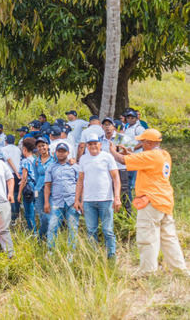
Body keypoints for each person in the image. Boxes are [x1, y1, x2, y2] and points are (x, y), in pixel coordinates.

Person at [109, 129, 187, 274]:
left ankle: (148, 272)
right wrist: (128, 154)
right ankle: (179, 269)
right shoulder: (163, 154)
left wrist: (112, 150)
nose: (141, 144)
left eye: (142, 141)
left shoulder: (150, 156)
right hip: (164, 201)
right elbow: (142, 161)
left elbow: (122, 161)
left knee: (147, 237)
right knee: (169, 237)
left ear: (149, 143)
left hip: (151, 201)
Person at [75, 133, 121, 259]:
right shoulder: (84, 159)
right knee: (91, 231)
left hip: (105, 199)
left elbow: (116, 177)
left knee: (108, 230)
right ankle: (93, 257)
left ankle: (111, 256)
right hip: (89, 201)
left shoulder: (107, 157)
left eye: (95, 143)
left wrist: (117, 197)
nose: (93, 146)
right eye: (90, 144)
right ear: (87, 146)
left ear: (100, 144)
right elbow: (80, 180)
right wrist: (77, 200)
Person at [44, 143, 80, 251]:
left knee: (72, 228)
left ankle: (71, 252)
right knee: (52, 227)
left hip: (72, 202)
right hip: (56, 202)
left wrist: (79, 201)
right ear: (55, 152)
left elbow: (80, 184)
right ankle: (50, 251)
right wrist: (46, 202)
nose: (61, 153)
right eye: (59, 151)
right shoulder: (51, 167)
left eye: (63, 151)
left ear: (68, 153)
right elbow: (47, 185)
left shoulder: (74, 166)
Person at [100, 117, 132, 214]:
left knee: (123, 194)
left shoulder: (121, 138)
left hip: (120, 169)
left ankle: (127, 216)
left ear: (113, 126)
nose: (107, 127)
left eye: (109, 125)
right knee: (108, 193)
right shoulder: (99, 139)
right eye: (105, 125)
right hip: (106, 171)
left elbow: (130, 151)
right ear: (102, 127)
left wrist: (121, 152)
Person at [33, 137, 53, 240]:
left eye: (43, 145)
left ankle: (48, 240)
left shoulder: (54, 159)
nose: (41, 148)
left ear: (48, 146)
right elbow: (36, 177)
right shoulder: (36, 161)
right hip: (39, 191)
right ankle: (42, 239)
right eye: (39, 146)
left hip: (52, 191)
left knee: (49, 216)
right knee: (42, 217)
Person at [17, 138, 37, 231]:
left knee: (29, 212)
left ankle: (33, 231)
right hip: (36, 187)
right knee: (34, 208)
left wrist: (19, 193)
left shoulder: (25, 161)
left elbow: (24, 178)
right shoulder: (36, 159)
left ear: (24, 149)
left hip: (28, 187)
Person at [1, 135, 22, 222]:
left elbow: (9, 160)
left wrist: (15, 171)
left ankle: (12, 216)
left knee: (9, 194)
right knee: (16, 194)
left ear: (6, 141)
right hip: (18, 174)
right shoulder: (18, 149)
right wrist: (17, 172)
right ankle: (16, 213)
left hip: (10, 174)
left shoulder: (4, 149)